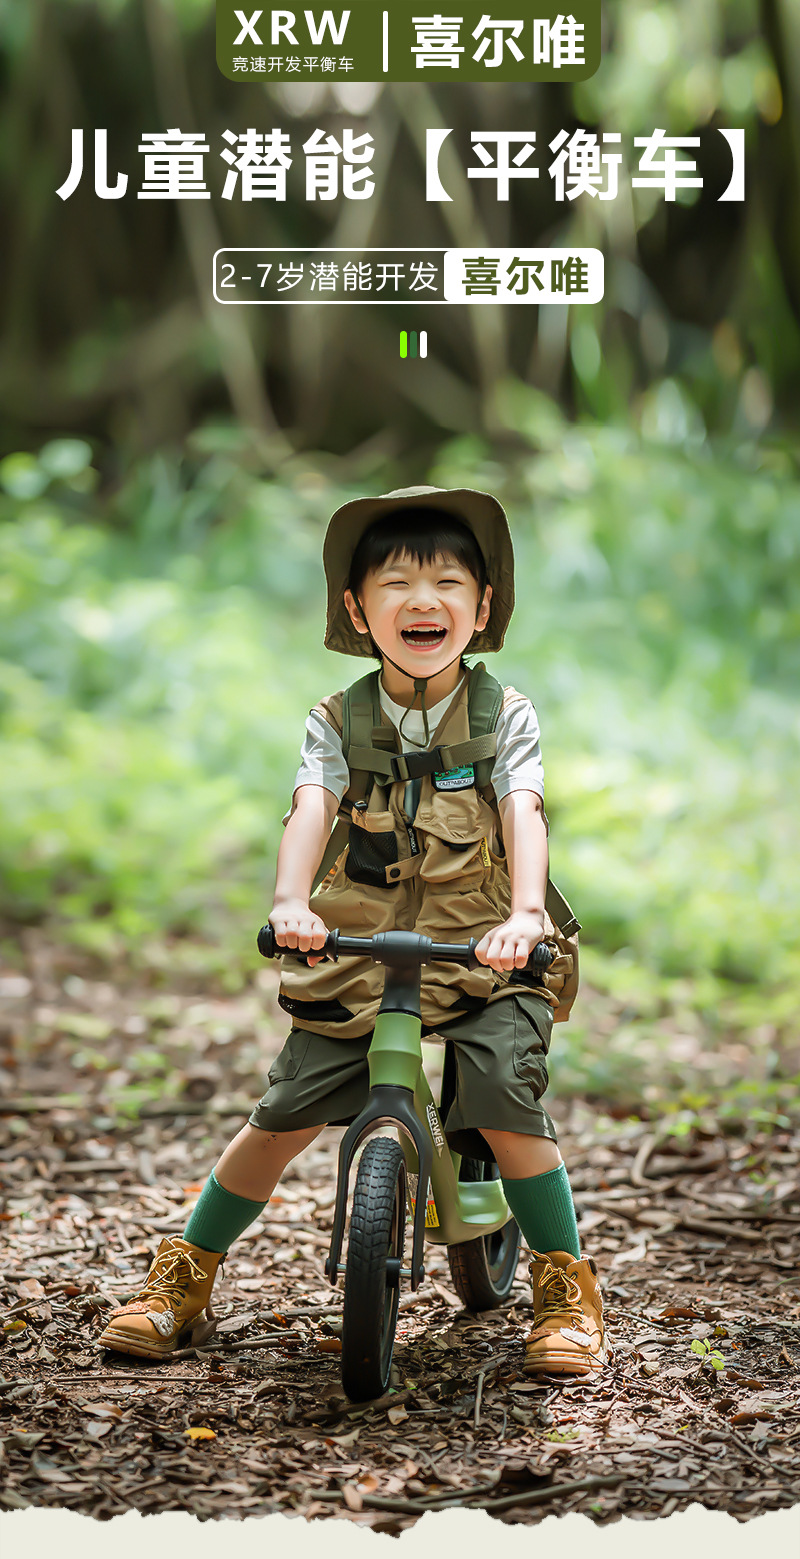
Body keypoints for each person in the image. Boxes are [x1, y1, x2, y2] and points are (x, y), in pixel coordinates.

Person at [97, 485, 609, 1378]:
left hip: (485, 948)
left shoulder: (503, 716)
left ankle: (563, 1284)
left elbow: (525, 811)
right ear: (355, 607)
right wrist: (292, 901)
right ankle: (183, 1274)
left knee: (506, 1102)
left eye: (450, 581)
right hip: (360, 953)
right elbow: (310, 806)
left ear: (482, 608)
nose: (424, 600)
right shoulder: (337, 718)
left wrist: (526, 916)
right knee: (282, 1113)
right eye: (398, 582)